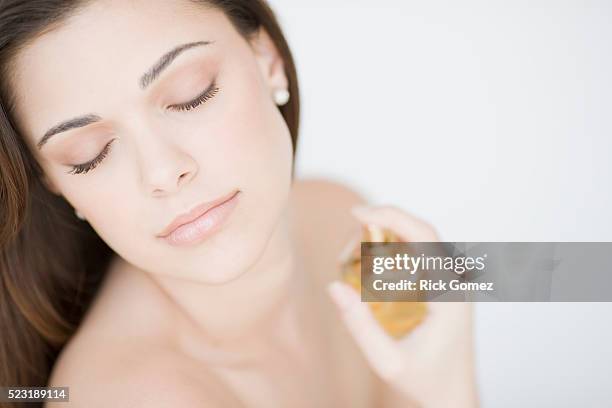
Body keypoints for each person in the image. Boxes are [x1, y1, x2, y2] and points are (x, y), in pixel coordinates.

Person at [0, 0, 478, 406]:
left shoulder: (340, 216)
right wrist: (448, 389)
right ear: (56, 183)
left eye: (190, 95)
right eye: (90, 155)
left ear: (267, 58)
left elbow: (546, 271)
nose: (164, 172)